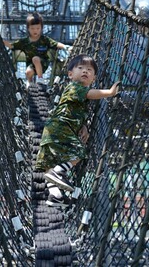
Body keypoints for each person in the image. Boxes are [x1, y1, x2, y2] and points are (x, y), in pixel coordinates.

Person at [35, 54, 120, 207]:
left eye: (89, 70)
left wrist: (84, 126)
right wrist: (110, 92)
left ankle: (55, 196)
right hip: (61, 126)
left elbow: (76, 110)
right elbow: (90, 94)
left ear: (93, 79)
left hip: (54, 129)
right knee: (79, 152)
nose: (84, 71)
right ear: (70, 74)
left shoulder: (76, 94)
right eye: (80, 68)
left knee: (49, 164)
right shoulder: (75, 87)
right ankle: (59, 172)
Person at [3, 12, 70, 86]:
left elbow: (56, 44)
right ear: (28, 29)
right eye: (32, 28)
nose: (35, 30)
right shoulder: (24, 42)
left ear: (41, 28)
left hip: (43, 63)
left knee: (35, 59)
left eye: (38, 28)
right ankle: (30, 83)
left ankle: (40, 79)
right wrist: (2, 41)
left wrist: (65, 47)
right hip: (31, 65)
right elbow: (12, 46)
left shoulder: (44, 39)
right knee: (28, 72)